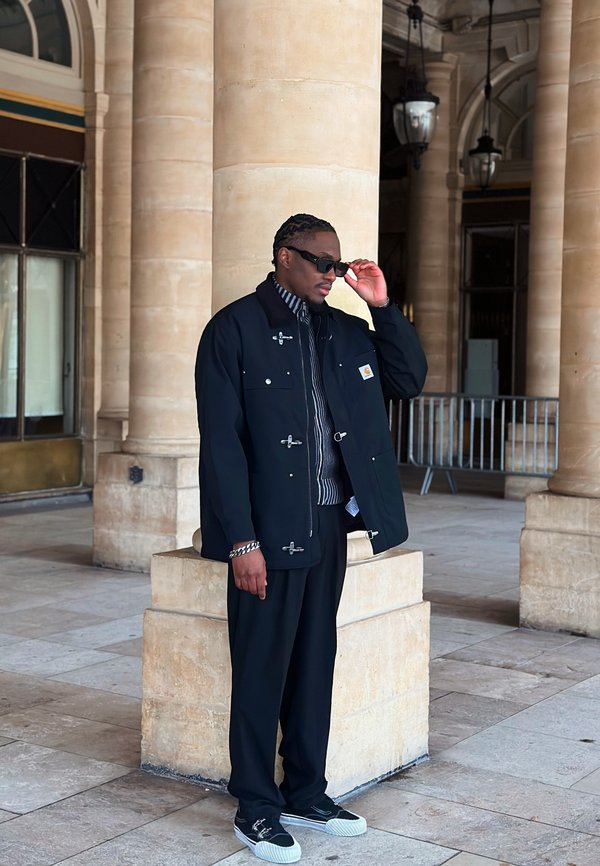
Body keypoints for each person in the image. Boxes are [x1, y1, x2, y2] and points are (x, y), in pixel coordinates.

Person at [195, 213, 427, 864]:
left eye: (338, 262)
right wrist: (241, 542)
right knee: (262, 669)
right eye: (322, 262)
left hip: (328, 524)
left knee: (314, 662)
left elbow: (408, 379)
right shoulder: (233, 330)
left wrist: (382, 306)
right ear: (283, 257)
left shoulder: (347, 331)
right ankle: (256, 808)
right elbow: (223, 447)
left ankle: (305, 791)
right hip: (267, 531)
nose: (333, 273)